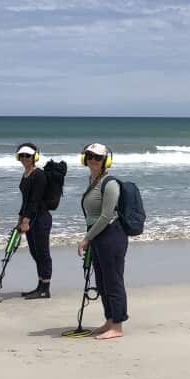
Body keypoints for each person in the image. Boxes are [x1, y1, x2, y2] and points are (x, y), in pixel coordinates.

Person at [77, 143, 128, 340]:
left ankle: (118, 325)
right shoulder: (93, 180)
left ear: (106, 161)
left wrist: (86, 239)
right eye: (89, 156)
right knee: (102, 281)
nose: (93, 160)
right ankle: (109, 320)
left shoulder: (110, 183)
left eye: (98, 157)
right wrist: (90, 237)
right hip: (97, 235)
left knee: (113, 281)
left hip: (111, 235)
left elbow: (106, 216)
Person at [15, 142, 52, 299]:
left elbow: (35, 201)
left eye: (28, 156)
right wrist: (20, 218)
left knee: (42, 253)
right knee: (34, 252)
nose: (25, 158)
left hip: (40, 218)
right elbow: (25, 201)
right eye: (22, 155)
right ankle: (40, 285)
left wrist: (26, 220)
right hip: (30, 218)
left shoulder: (39, 175)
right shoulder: (26, 174)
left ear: (34, 157)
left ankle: (45, 288)